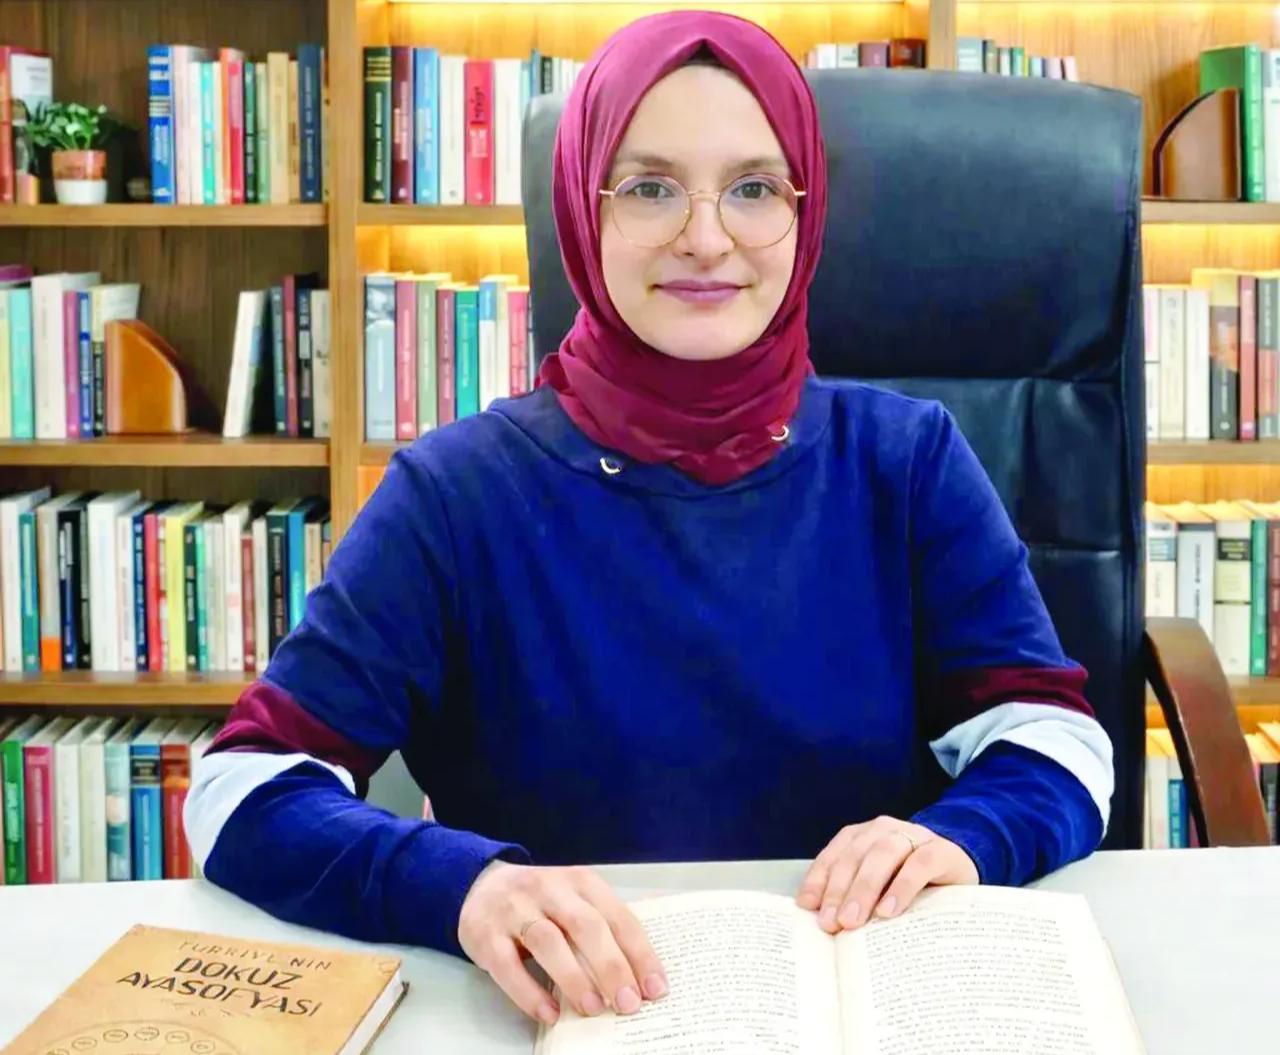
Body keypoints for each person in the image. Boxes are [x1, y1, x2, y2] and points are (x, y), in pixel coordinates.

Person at [185, 10, 1112, 1029]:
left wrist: (969, 834)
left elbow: (1052, 735)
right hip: (566, 1014)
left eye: (753, 187)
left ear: (806, 215)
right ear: (582, 213)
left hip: (863, 1009)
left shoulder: (907, 460)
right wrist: (459, 884)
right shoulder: (454, 493)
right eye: (649, 186)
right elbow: (240, 785)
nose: (705, 238)